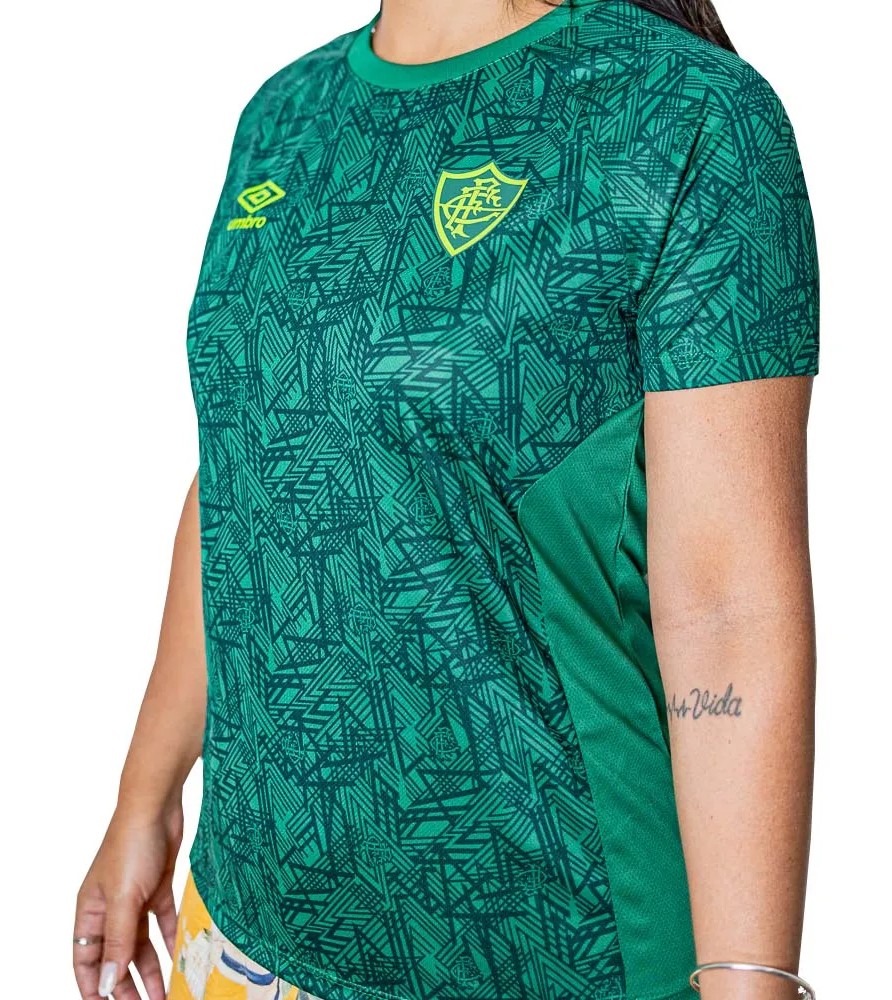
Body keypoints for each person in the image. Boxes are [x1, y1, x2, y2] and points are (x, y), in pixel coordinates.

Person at [72, 1, 821, 998]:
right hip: (245, 933)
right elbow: (249, 476)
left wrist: (746, 979)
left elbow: (729, 611)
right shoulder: (285, 113)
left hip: (552, 949)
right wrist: (146, 793)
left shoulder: (685, 116)